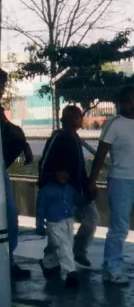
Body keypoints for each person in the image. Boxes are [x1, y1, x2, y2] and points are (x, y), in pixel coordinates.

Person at [36, 105, 99, 268]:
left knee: (91, 219)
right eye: (73, 117)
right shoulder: (58, 138)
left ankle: (78, 250)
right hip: (59, 190)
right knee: (58, 223)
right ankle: (50, 258)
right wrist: (49, 181)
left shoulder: (76, 139)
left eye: (78, 116)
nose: (77, 120)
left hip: (77, 191)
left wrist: (87, 185)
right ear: (64, 120)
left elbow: (79, 169)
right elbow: (43, 164)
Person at [88, 85, 134, 285]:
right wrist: (92, 181)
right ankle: (111, 267)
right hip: (121, 181)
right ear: (125, 102)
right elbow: (100, 154)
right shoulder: (114, 124)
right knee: (119, 227)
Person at [0, 67, 33, 280]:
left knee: (10, 213)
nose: (1, 90)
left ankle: (9, 259)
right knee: (8, 212)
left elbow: (9, 128)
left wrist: (24, 143)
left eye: (2, 85)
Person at [36, 166, 83, 288]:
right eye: (61, 171)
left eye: (66, 171)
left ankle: (48, 263)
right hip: (54, 223)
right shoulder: (47, 191)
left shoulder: (70, 189)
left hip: (69, 222)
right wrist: (40, 223)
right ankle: (69, 273)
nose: (64, 175)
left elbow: (79, 200)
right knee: (64, 247)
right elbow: (40, 208)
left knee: (63, 247)